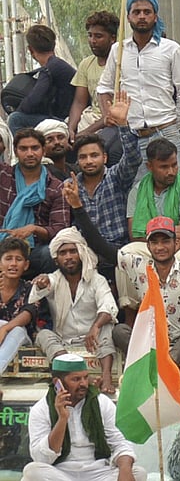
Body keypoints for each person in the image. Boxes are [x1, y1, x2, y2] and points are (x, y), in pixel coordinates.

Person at [65, 171, 180, 364]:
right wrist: (77, 207)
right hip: (151, 345)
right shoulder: (138, 265)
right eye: (155, 242)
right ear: (148, 246)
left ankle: (165, 366)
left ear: (175, 242)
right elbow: (98, 244)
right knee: (119, 331)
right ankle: (162, 367)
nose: (160, 247)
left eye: (165, 241)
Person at [96, 0, 180, 181]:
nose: (142, 16)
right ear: (128, 17)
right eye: (136, 12)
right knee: (140, 192)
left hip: (167, 131)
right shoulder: (118, 50)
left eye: (147, 12)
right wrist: (107, 114)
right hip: (134, 137)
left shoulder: (171, 49)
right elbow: (103, 88)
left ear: (155, 16)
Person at [21, 354, 146, 481]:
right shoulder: (41, 409)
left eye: (85, 377)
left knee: (138, 473)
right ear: (57, 382)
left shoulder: (101, 403)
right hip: (61, 473)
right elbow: (41, 458)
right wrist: (62, 419)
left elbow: (120, 442)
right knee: (32, 472)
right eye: (76, 379)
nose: (84, 384)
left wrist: (125, 471)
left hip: (98, 472)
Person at [29, 228, 118, 394]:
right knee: (43, 335)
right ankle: (77, 374)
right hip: (64, 342)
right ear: (56, 260)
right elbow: (41, 288)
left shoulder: (96, 280)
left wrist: (95, 326)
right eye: (63, 253)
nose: (68, 257)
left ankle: (106, 377)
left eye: (73, 251)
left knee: (107, 326)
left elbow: (109, 306)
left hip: (93, 341)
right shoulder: (53, 279)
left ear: (81, 253)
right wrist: (42, 283)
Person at [70, 92, 143, 253]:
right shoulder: (70, 186)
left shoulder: (116, 177)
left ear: (104, 158)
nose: (89, 161)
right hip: (84, 250)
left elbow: (133, 158)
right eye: (83, 157)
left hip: (117, 249)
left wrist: (123, 124)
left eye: (94, 155)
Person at [0, 128, 69, 277]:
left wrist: (34, 229)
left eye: (35, 148)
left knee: (50, 253)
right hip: (2, 244)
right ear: (15, 151)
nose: (30, 153)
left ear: (43, 150)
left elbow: (60, 229)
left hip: (35, 249)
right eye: (23, 149)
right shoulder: (3, 175)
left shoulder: (55, 187)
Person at [67, 11, 123, 166]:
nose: (93, 41)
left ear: (112, 38)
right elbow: (79, 102)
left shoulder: (121, 64)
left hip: (113, 123)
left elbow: (110, 117)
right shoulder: (86, 64)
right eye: (90, 36)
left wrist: (86, 133)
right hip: (89, 119)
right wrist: (70, 129)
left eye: (98, 36)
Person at [126, 138, 180, 250]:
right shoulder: (136, 192)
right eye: (164, 167)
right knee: (129, 250)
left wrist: (151, 233)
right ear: (150, 167)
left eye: (174, 165)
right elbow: (135, 237)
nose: (171, 172)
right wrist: (171, 230)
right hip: (149, 248)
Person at [7, 25, 76, 134]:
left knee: (15, 119)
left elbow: (32, 101)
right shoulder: (57, 64)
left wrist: (18, 108)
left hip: (65, 120)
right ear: (53, 45)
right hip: (68, 117)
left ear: (30, 49)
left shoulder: (49, 69)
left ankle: (24, 145)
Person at [0, 237, 39, 373]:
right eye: (8, 258)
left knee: (17, 330)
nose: (13, 264)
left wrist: (5, 329)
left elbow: (28, 314)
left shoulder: (30, 288)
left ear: (26, 265)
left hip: (22, 345)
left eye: (18, 259)